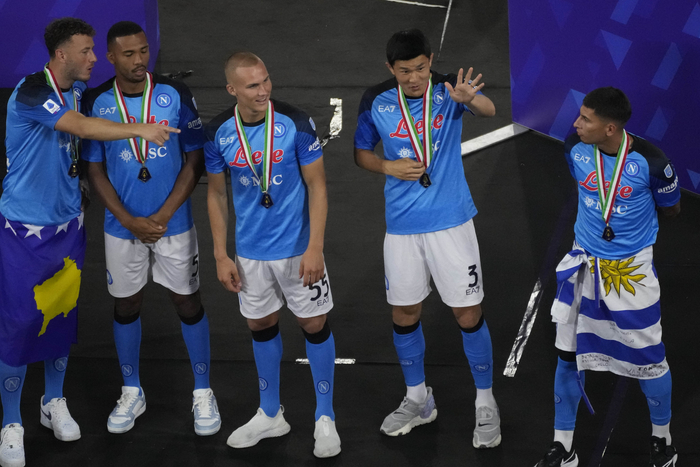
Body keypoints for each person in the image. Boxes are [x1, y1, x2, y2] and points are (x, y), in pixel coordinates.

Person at [0, 17, 177, 467]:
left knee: (60, 316)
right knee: (20, 324)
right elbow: (79, 127)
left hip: (68, 226)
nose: (94, 58)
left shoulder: (77, 89)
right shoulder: (32, 92)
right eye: (86, 51)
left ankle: (53, 402)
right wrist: (139, 129)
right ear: (61, 54)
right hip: (24, 229)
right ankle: (11, 422)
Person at [353, 29, 501, 448]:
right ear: (390, 68)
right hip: (401, 227)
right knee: (405, 312)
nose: (414, 78)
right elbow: (361, 153)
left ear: (430, 60)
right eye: (405, 71)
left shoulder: (450, 88)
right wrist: (386, 167)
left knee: (467, 313)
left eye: (420, 68)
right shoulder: (376, 99)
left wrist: (470, 99)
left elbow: (490, 110)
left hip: (451, 223)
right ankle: (418, 399)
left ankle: (485, 402)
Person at [80, 21, 219, 437]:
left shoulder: (174, 93)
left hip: (173, 224)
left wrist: (162, 216)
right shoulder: (96, 100)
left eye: (143, 51)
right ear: (111, 57)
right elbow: (94, 168)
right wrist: (128, 219)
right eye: (129, 54)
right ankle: (131, 391)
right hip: (121, 227)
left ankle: (203, 390)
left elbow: (195, 159)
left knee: (187, 301)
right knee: (126, 305)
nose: (139, 60)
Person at [534, 87, 681, 467]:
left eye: (586, 119)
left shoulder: (652, 162)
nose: (576, 124)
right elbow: (586, 189)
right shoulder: (575, 148)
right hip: (583, 264)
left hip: (630, 273)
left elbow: (672, 208)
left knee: (650, 359)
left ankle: (662, 441)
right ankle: (563, 447)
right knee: (567, 354)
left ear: (610, 128)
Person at [205, 52, 340, 458]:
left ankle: (325, 416)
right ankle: (269, 414)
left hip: (298, 250)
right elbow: (216, 194)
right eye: (252, 85)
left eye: (265, 80)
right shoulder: (218, 133)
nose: (263, 90)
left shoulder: (295, 123)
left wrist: (315, 246)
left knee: (313, 323)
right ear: (232, 89)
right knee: (260, 323)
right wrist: (220, 254)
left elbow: (318, 186)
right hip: (251, 253)